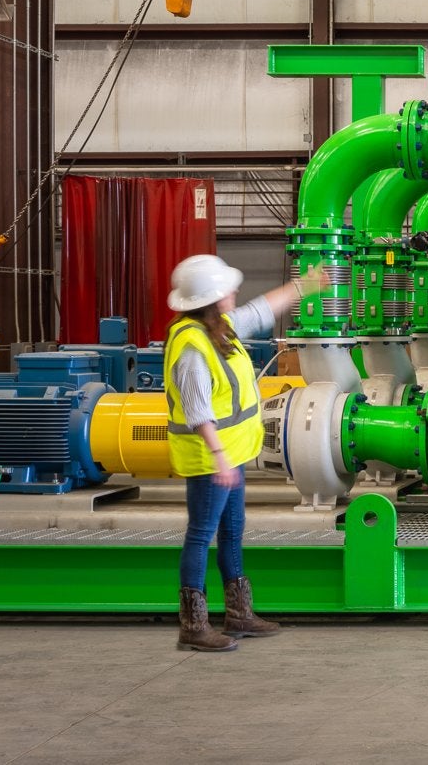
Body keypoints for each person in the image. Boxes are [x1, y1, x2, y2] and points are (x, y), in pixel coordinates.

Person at [161, 252, 328, 652]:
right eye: (226, 289)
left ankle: (239, 614)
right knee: (201, 536)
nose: (234, 291)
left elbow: (259, 310)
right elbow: (199, 409)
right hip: (209, 458)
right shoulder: (191, 347)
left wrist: (304, 287)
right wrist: (219, 458)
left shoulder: (220, 328)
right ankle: (194, 626)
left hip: (229, 456)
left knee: (232, 532)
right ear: (211, 298)